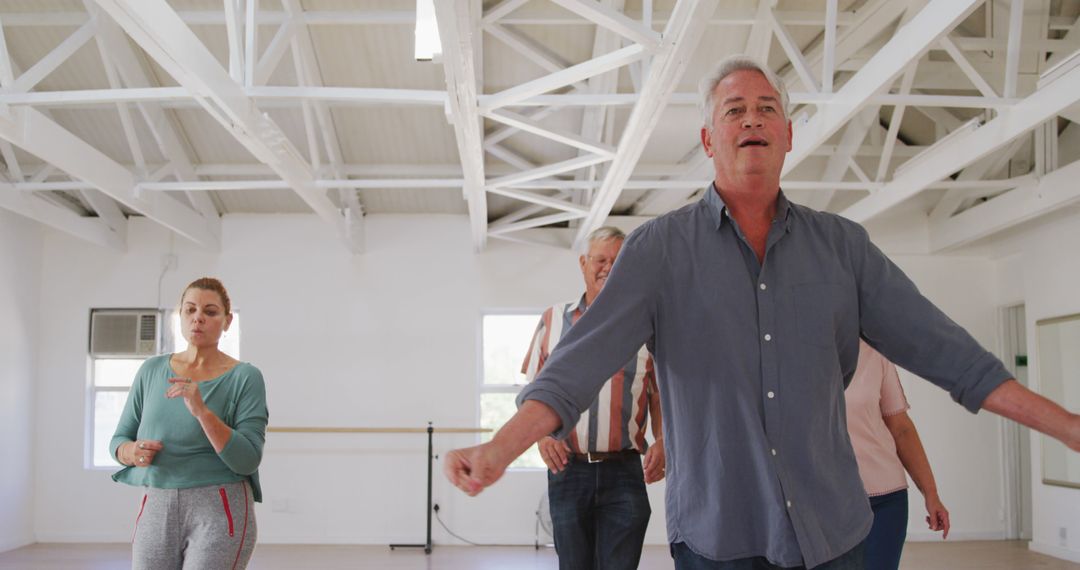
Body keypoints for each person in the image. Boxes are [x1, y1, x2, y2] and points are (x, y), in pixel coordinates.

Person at [443, 54, 1080, 570]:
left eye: (767, 108)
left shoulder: (843, 247)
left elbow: (947, 352)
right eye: (735, 109)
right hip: (718, 537)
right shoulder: (660, 250)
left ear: (787, 135)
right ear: (708, 138)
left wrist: (1068, 427)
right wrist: (501, 448)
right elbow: (576, 365)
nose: (753, 118)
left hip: (833, 534)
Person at [522, 226, 665, 570]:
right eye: (600, 260)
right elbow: (533, 391)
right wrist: (541, 436)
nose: (607, 267)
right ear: (584, 263)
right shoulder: (553, 319)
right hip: (568, 470)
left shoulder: (648, 324)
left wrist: (663, 440)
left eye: (617, 261)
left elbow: (660, 393)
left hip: (625, 471)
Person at [111, 277, 267, 570]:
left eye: (210, 312)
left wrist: (202, 411)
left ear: (227, 321)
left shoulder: (245, 377)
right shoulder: (151, 370)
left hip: (219, 506)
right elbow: (118, 440)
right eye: (190, 310)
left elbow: (247, 459)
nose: (198, 318)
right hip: (157, 501)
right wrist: (132, 452)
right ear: (180, 316)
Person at [846, 341, 949, 569]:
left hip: (883, 499)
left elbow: (901, 428)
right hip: (822, 503)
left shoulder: (876, 353)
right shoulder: (796, 356)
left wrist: (931, 494)